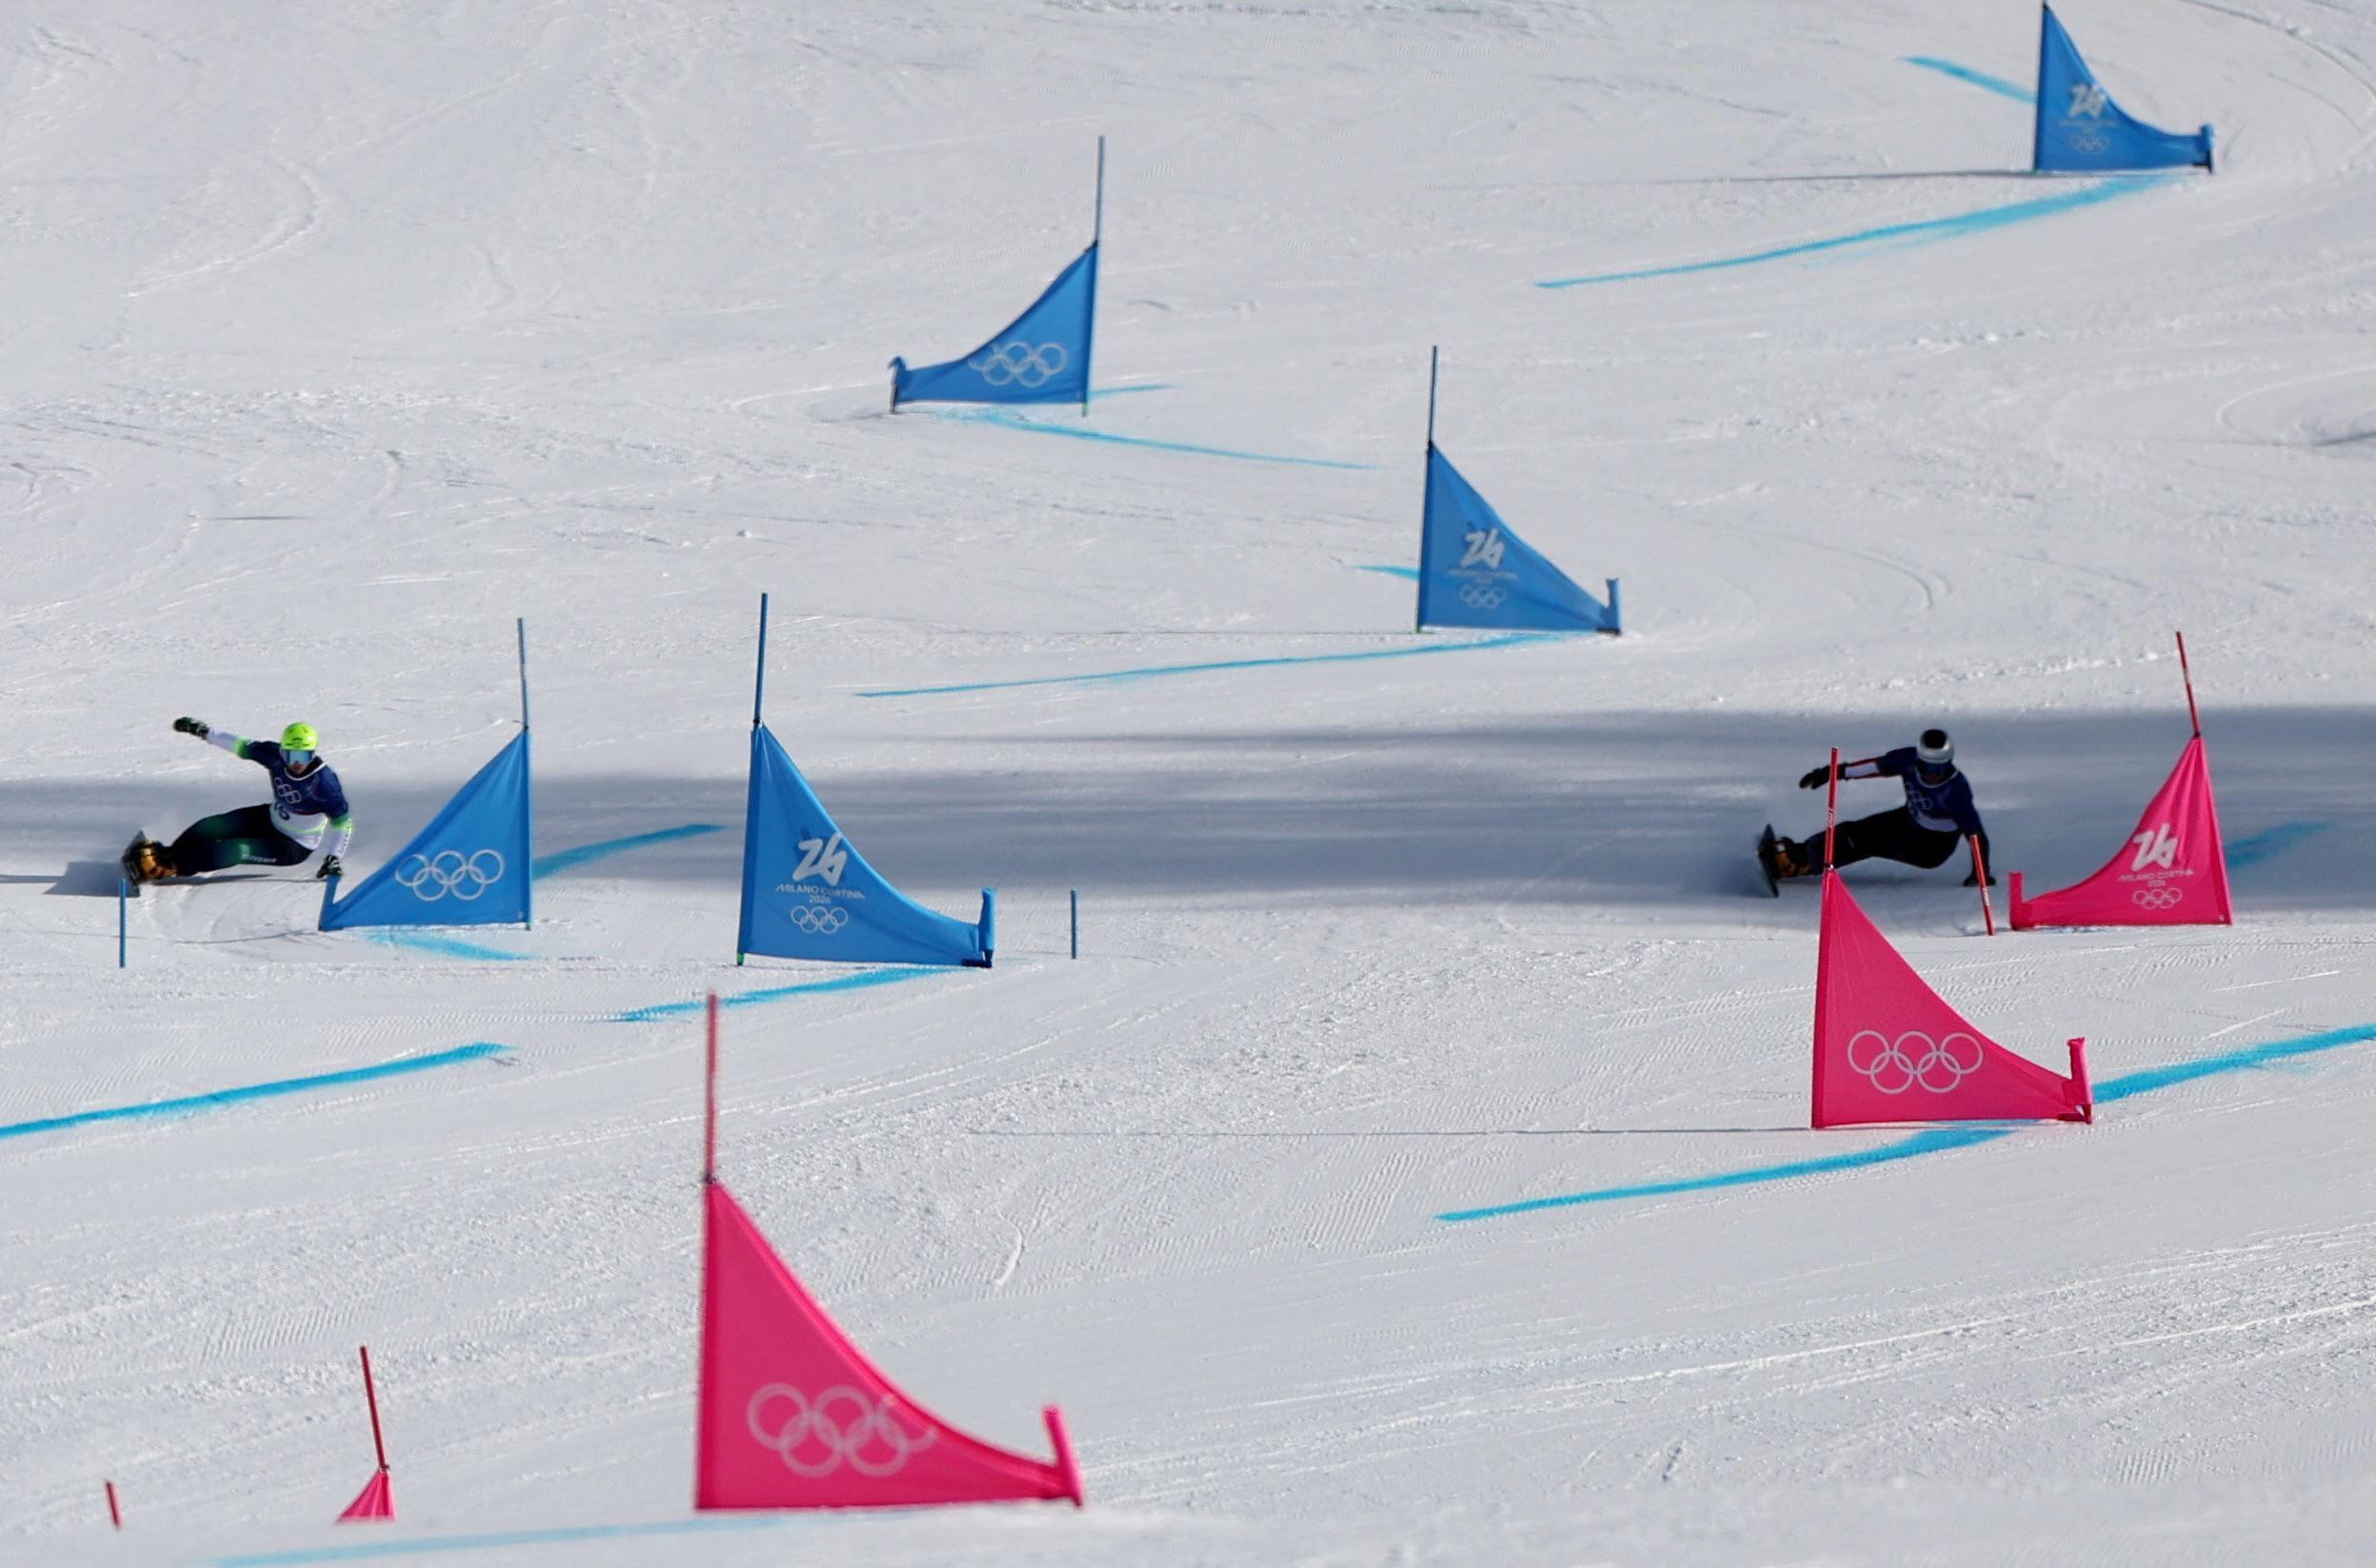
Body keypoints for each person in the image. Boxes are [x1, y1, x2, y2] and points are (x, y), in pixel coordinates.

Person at [125, 720, 354, 883]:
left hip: (293, 845)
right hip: (269, 818)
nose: (296, 763)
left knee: (236, 850)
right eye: (291, 755)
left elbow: (344, 822)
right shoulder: (274, 755)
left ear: (312, 754)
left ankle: (171, 866)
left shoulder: (324, 784)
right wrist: (204, 731)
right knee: (212, 825)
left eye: (303, 756)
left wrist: (334, 858)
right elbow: (241, 745)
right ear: (282, 750)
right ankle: (169, 855)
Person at [1771, 728, 1992, 884]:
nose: (1933, 774)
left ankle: (1800, 864)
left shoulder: (1955, 790)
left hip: (1931, 847)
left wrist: (1981, 874)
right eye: (1927, 766)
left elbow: (1976, 835)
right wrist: (1834, 772)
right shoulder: (1908, 760)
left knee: (1862, 840)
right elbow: (1875, 767)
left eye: (1940, 768)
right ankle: (1799, 852)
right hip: (1910, 819)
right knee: (1853, 830)